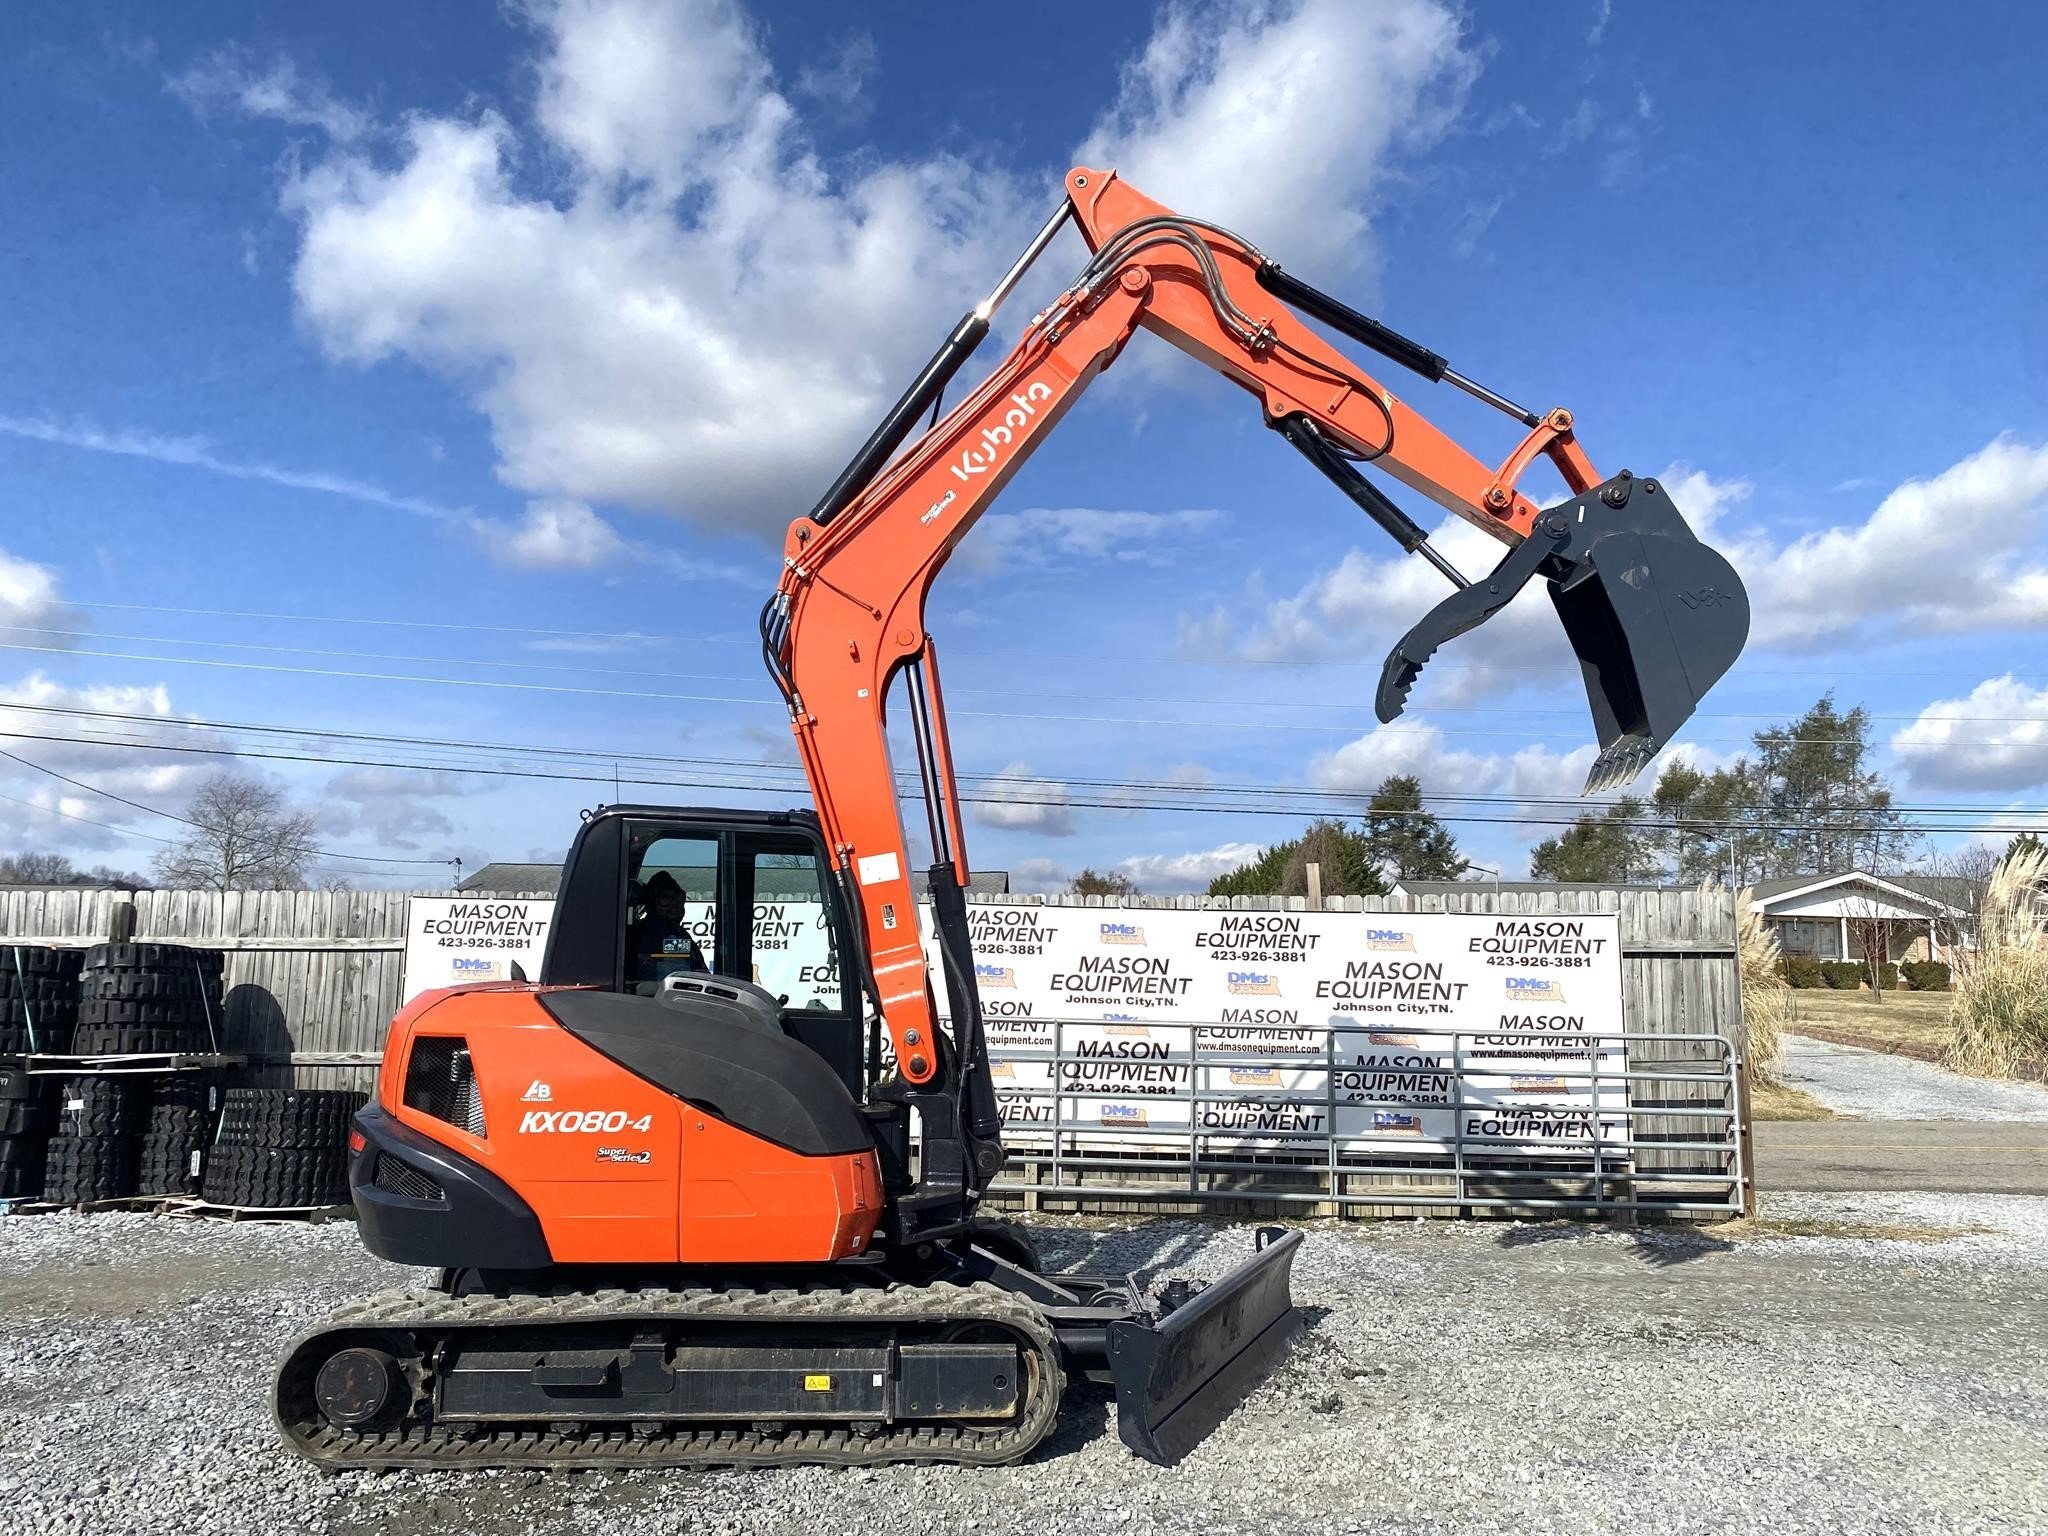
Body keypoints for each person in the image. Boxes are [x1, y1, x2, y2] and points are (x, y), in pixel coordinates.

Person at [627, 870, 708, 986]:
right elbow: (681, 980)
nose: (675, 903)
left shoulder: (678, 933)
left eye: (679, 897)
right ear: (652, 903)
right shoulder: (657, 934)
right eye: (665, 899)